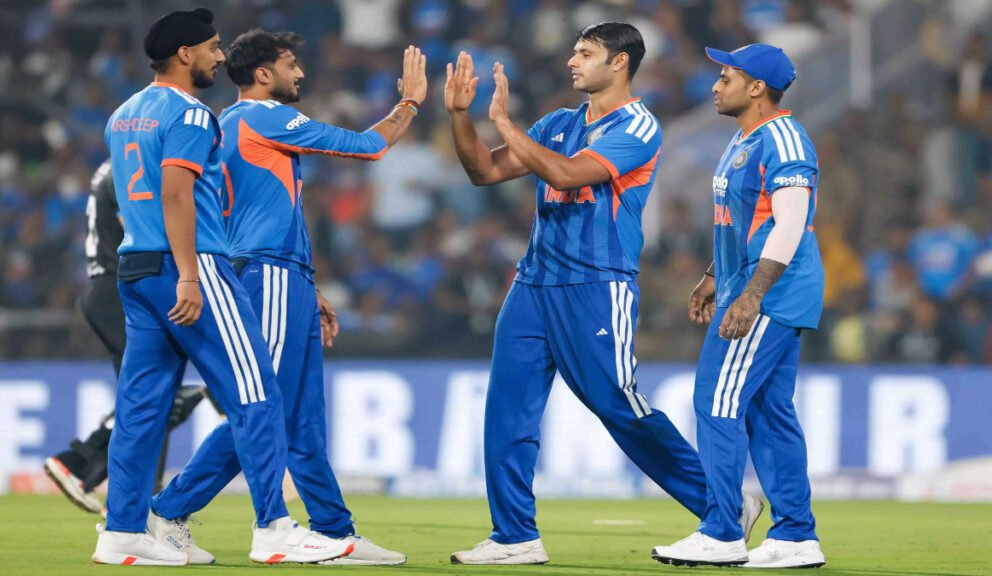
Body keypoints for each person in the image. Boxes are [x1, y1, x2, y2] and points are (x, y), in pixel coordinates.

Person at [444, 22, 760, 565]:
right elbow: (484, 170)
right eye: (573, 51)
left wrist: (504, 123)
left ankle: (724, 505)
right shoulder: (558, 123)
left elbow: (567, 175)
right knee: (506, 411)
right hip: (533, 282)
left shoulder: (639, 126)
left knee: (617, 403)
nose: (572, 61)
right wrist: (459, 116)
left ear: (619, 62)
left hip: (596, 282)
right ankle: (514, 536)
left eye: (586, 52)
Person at [147, 29, 426, 565]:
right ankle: (168, 511)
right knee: (263, 407)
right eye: (291, 64)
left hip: (283, 274)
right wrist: (410, 103)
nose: (300, 73)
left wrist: (306, 284)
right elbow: (368, 146)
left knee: (301, 418)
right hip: (268, 272)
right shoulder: (261, 115)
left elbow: (259, 211)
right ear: (263, 74)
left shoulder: (229, 124)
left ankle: (334, 530)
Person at [94, 8, 351, 566]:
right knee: (258, 393)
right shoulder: (190, 112)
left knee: (141, 407)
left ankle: (122, 532)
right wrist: (190, 273)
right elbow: (176, 193)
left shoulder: (123, 114)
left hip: (135, 267)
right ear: (184, 54)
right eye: (211, 47)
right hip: (191, 266)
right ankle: (274, 529)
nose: (218, 56)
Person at [651, 44, 826, 569]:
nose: (715, 85)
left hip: (770, 294)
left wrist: (751, 295)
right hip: (751, 288)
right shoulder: (745, 138)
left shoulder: (785, 140)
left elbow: (791, 224)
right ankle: (795, 536)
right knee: (770, 413)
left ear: (756, 88)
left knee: (717, 402)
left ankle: (722, 530)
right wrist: (714, 275)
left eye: (726, 77)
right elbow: (746, 218)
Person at [42, 159, 209, 515]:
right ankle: (92, 470)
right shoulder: (129, 165)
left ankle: (129, 495)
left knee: (155, 395)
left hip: (108, 288)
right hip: (119, 288)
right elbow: (137, 226)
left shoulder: (110, 165)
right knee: (153, 394)